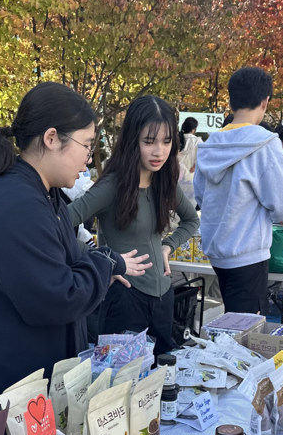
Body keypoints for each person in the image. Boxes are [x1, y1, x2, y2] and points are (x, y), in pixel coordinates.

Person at [0, 82, 150, 417]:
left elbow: (67, 268)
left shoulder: (43, 195)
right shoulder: (16, 203)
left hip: (33, 384)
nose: (88, 160)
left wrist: (103, 268)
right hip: (10, 392)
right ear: (51, 138)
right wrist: (103, 265)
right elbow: (56, 297)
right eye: (86, 146)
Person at [68, 95, 199, 356]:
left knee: (163, 382)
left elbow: (192, 220)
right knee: (120, 387)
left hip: (164, 295)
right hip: (125, 298)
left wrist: (167, 246)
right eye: (149, 141)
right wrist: (101, 261)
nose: (159, 151)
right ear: (132, 141)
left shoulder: (166, 182)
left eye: (166, 141)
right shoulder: (111, 186)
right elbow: (55, 225)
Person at [194, 67, 283, 314]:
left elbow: (201, 196)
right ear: (265, 102)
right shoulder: (264, 144)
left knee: (230, 320)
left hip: (217, 251)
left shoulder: (211, 144)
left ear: (230, 101)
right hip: (248, 253)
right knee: (245, 331)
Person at [178, 116, 200, 182]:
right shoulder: (198, 141)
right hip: (191, 177)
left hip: (176, 176)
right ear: (194, 129)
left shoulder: (177, 139)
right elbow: (202, 157)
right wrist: (194, 167)